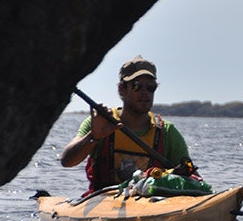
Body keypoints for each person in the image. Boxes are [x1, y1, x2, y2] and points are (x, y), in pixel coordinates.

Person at [61, 56, 194, 194]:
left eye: (151, 87)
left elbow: (191, 176)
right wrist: (94, 137)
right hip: (104, 203)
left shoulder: (167, 132)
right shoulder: (100, 123)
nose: (145, 92)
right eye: (137, 85)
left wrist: (185, 172)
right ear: (121, 89)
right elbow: (67, 161)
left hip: (151, 205)